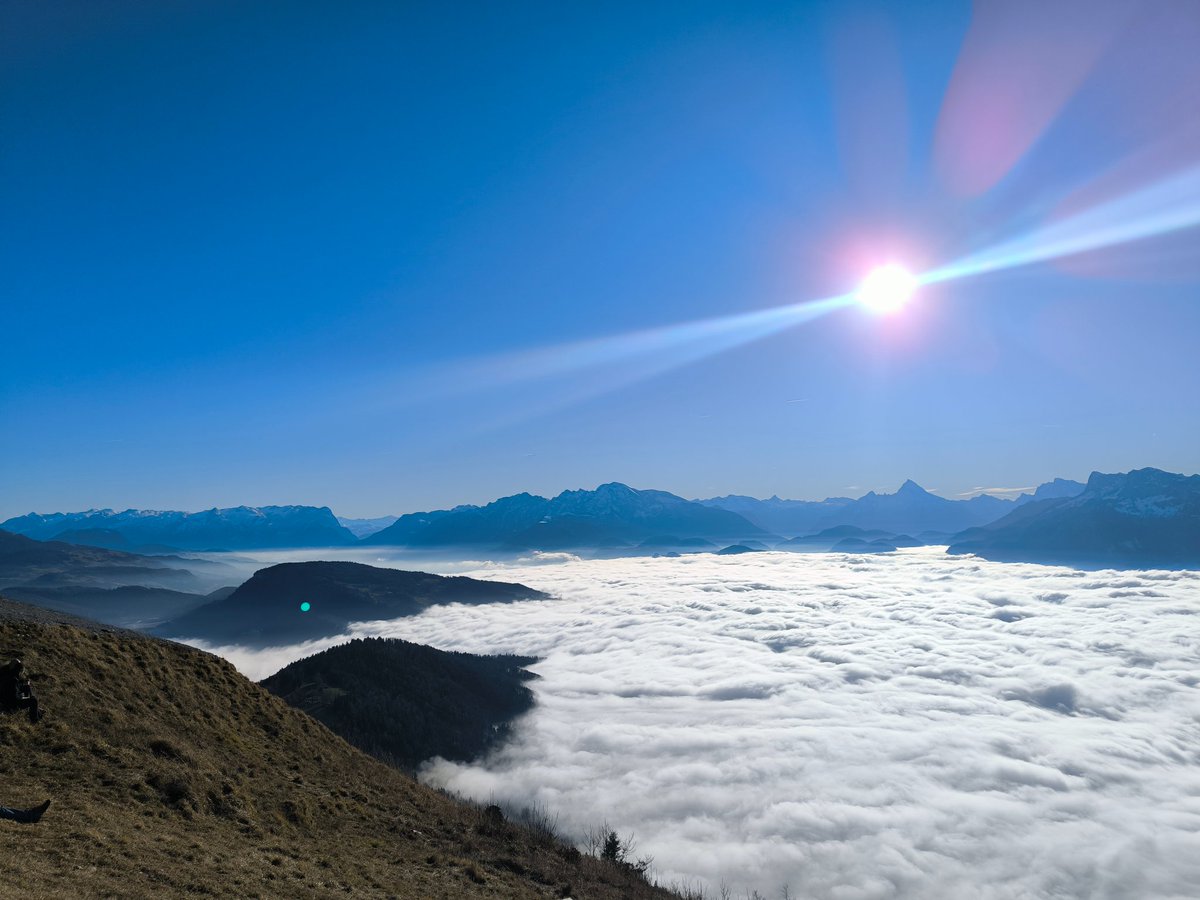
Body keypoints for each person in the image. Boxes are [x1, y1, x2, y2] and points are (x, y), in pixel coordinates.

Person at [0, 658, 41, 723]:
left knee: (26, 687)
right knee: (33, 700)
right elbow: (14, 698)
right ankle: (35, 721)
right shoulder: (13, 680)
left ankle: (37, 710)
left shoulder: (4, 674)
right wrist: (24, 694)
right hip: (10, 705)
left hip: (3, 700)